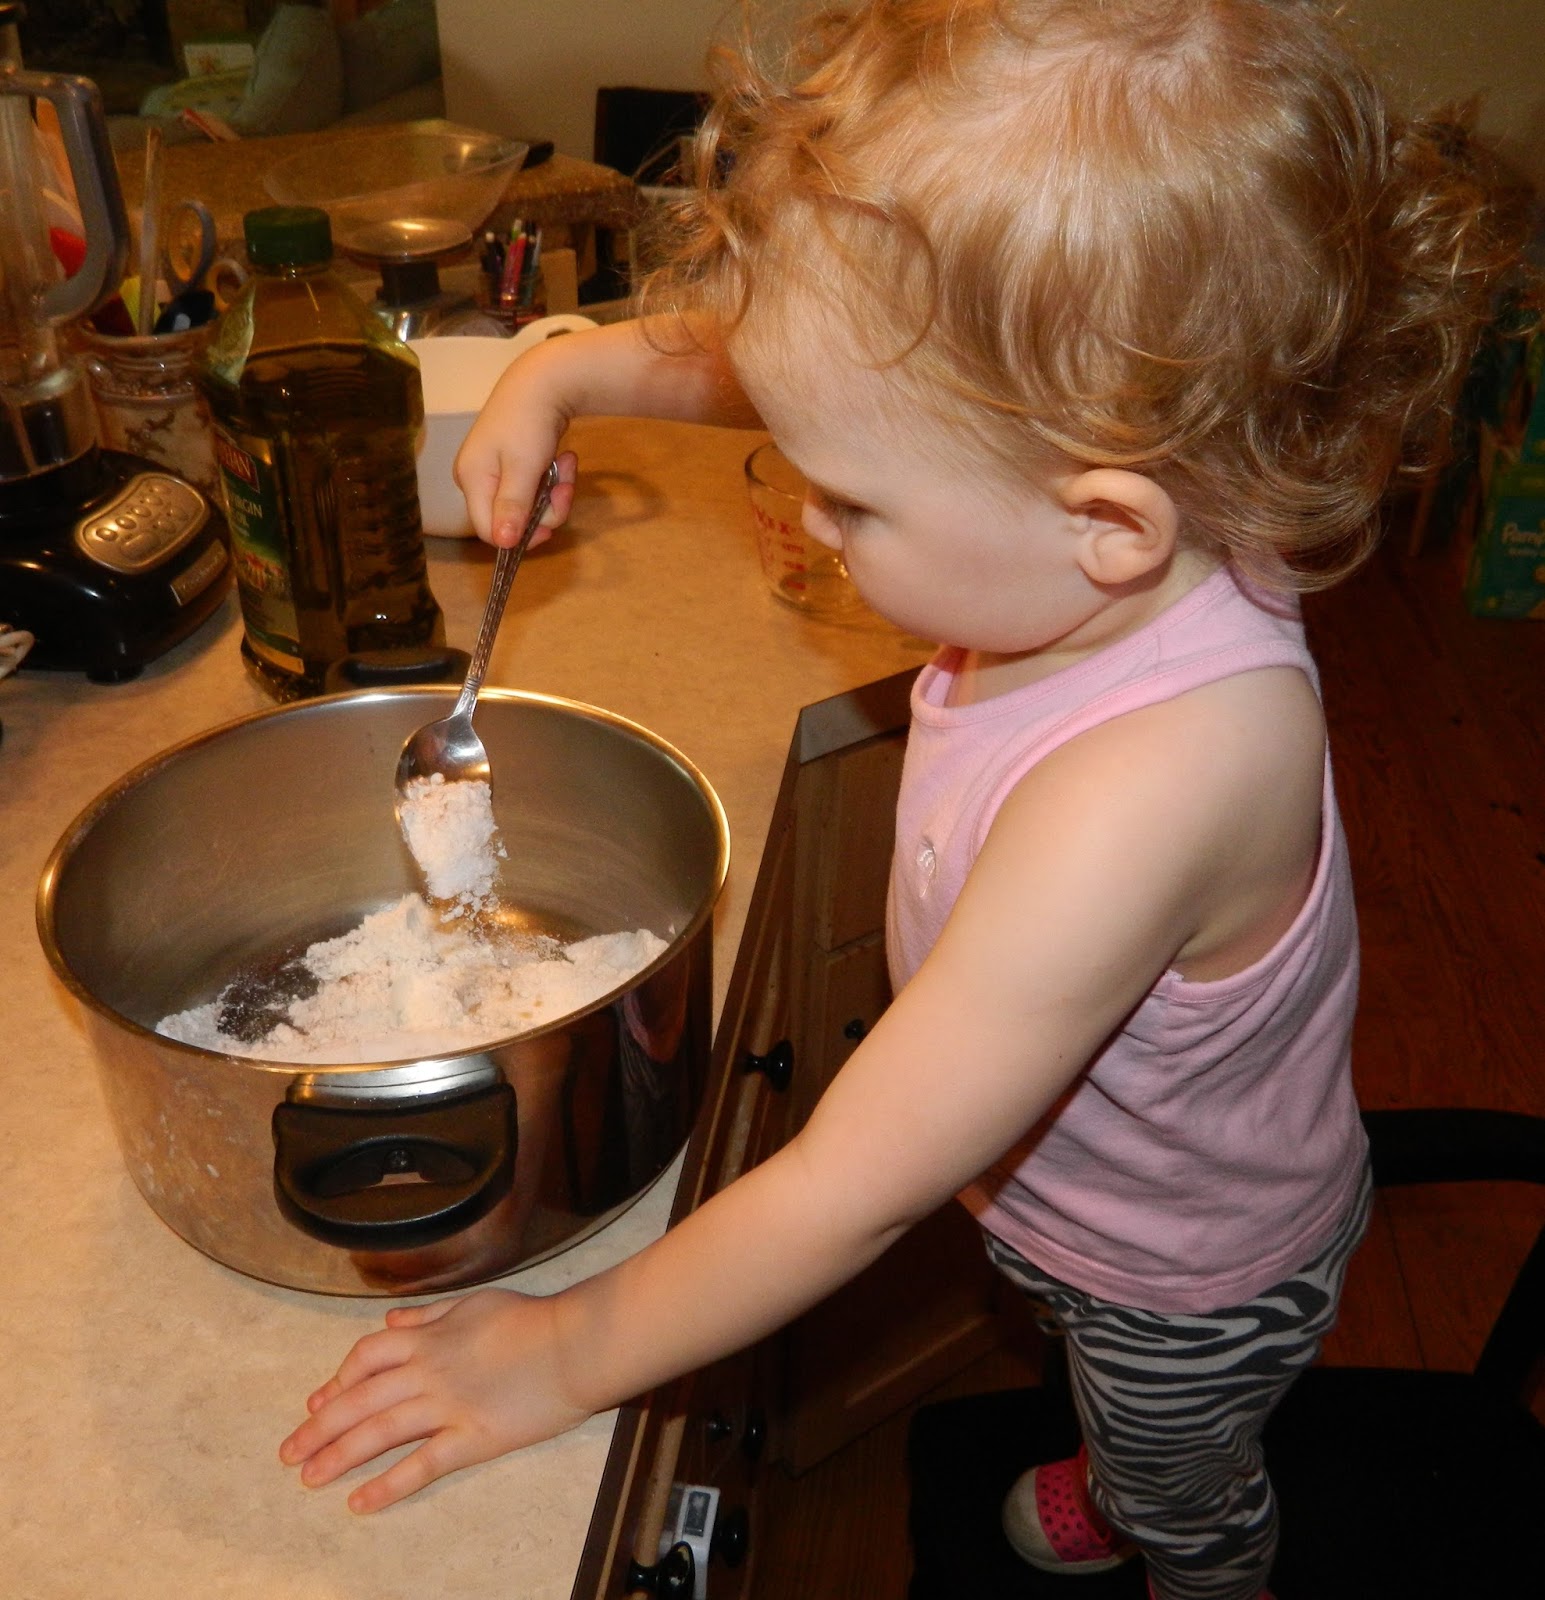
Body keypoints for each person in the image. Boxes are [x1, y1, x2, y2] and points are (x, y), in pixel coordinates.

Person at [279, 4, 1515, 1596]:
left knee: (1178, 1464)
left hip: (1180, 1280)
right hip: (1067, 1195)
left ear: (1102, 520)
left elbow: (849, 1188)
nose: (805, 509)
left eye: (850, 498)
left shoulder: (1149, 789)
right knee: (1084, 1372)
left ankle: (1178, 1538)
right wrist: (565, 373)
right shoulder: (1154, 477)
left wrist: (565, 1352)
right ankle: (1120, 1469)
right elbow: (812, 360)